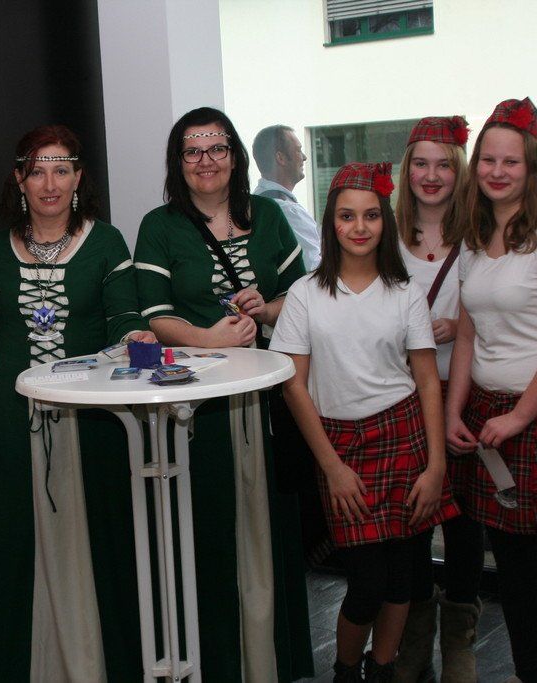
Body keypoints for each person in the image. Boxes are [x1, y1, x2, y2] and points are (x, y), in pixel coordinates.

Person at [134, 106, 313, 681]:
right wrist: (210, 339)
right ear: (178, 161)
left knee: (267, 523)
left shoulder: (269, 216)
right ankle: (211, 659)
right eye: (192, 150)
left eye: (217, 148)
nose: (205, 160)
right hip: (193, 405)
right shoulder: (159, 226)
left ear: (234, 156)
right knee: (206, 525)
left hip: (266, 399)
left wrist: (268, 307)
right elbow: (154, 315)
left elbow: (301, 297)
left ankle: (268, 657)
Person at [0, 124, 155, 682]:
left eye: (61, 169)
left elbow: (124, 316)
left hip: (92, 417)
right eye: (37, 171)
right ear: (19, 179)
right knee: (17, 541)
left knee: (97, 535)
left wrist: (137, 338)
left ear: (78, 178)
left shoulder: (107, 243)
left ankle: (100, 665)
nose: (49, 183)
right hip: (13, 421)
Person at [271, 162, 459, 682]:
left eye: (371, 215)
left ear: (385, 222)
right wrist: (331, 467)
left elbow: (427, 382)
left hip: (404, 439)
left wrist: (436, 466)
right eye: (347, 216)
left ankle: (383, 669)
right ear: (331, 223)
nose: (359, 227)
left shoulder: (405, 293)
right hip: (340, 446)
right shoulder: (305, 294)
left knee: (404, 578)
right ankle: (346, 670)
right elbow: (293, 386)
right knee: (368, 581)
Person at [445, 98, 537, 683]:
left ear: (533, 168)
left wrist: (519, 417)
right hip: (488, 415)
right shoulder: (473, 237)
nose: (497, 171)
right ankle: (527, 672)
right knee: (508, 562)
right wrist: (455, 410)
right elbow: (467, 335)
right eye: (487, 159)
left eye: (511, 161)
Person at [392, 115, 484, 682]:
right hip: (405, 393)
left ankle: (460, 641)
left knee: (466, 524)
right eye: (421, 164)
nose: (431, 175)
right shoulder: (386, 234)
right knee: (413, 521)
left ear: (460, 172)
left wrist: (458, 326)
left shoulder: (479, 234)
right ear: (407, 171)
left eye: (443, 165)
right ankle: (415, 638)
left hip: (466, 390)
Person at [253, 124, 321, 270]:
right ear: (281, 158)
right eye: (298, 150)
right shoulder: (287, 210)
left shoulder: (256, 201)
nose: (304, 157)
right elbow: (313, 268)